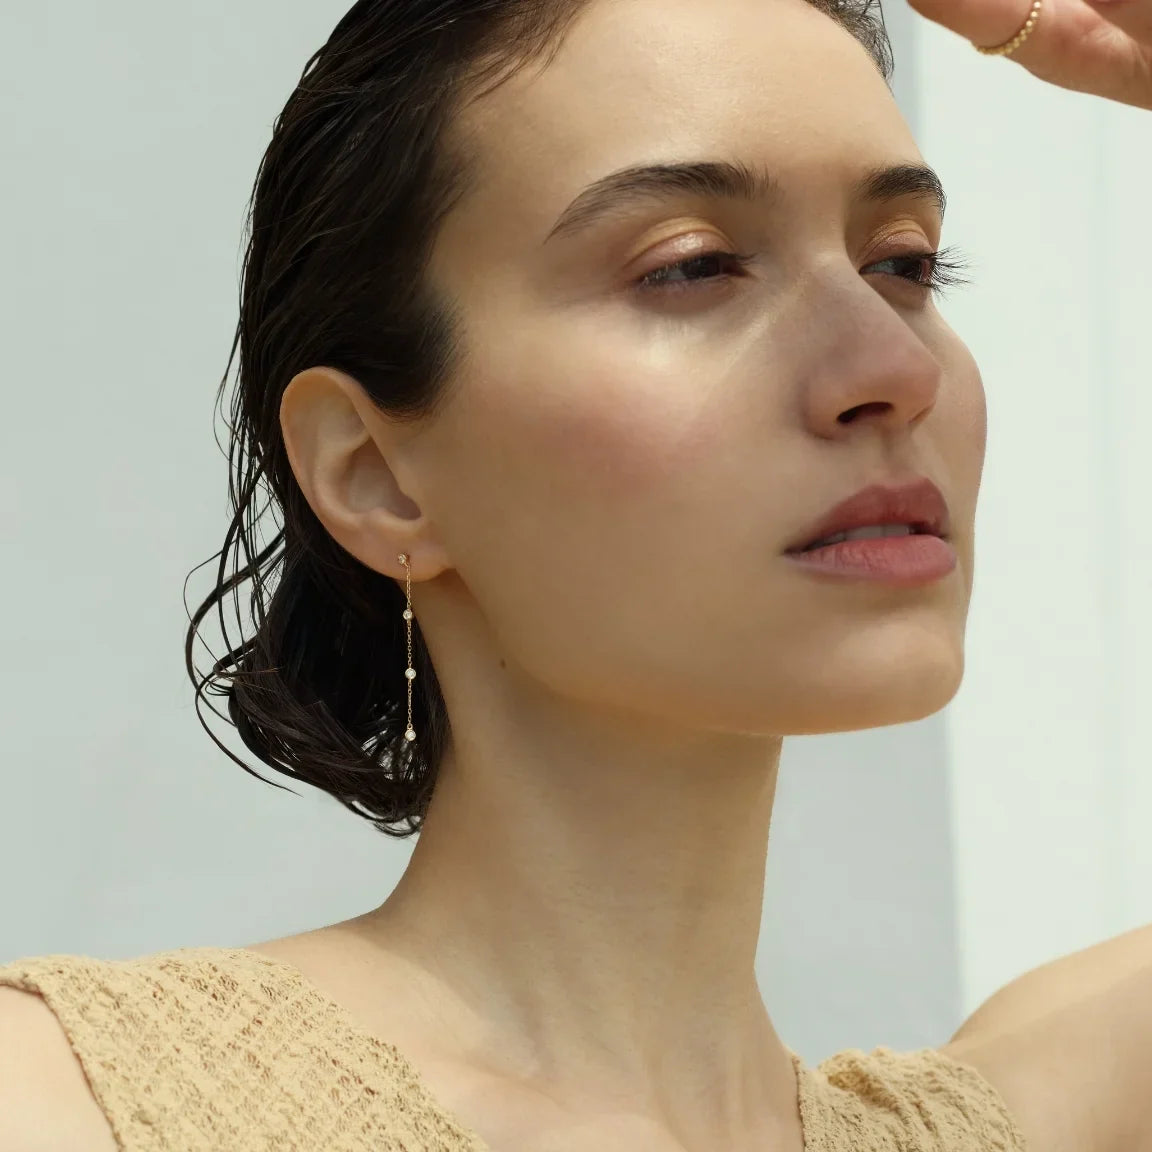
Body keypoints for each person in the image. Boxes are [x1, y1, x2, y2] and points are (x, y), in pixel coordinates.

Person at [1, 0, 1149, 1148]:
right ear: (375, 474)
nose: (894, 366)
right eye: (692, 268)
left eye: (902, 263)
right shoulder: (75, 1104)